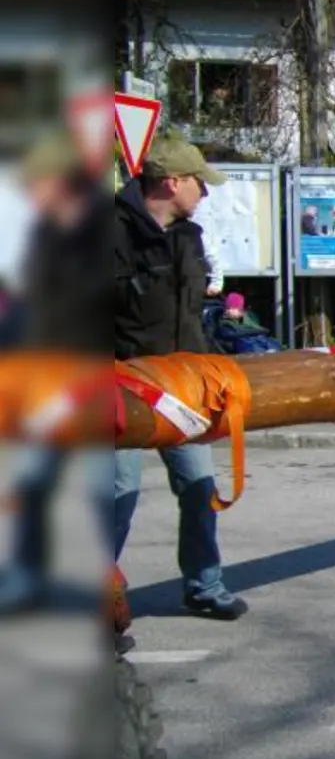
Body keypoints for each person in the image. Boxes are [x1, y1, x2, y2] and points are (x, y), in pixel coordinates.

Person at [112, 132, 248, 621]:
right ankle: (96, 603)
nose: (205, 192)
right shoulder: (109, 232)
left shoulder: (188, 235)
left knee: (199, 490)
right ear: (171, 183)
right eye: (198, 183)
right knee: (116, 499)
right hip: (120, 388)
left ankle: (204, 586)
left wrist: (211, 360)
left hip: (183, 386)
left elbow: (189, 313)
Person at [0, 132, 118, 639]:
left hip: (91, 383)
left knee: (99, 493)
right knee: (33, 483)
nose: (30, 194)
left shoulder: (101, 237)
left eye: (36, 184)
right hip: (48, 382)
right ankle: (28, 581)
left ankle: (102, 604)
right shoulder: (46, 238)